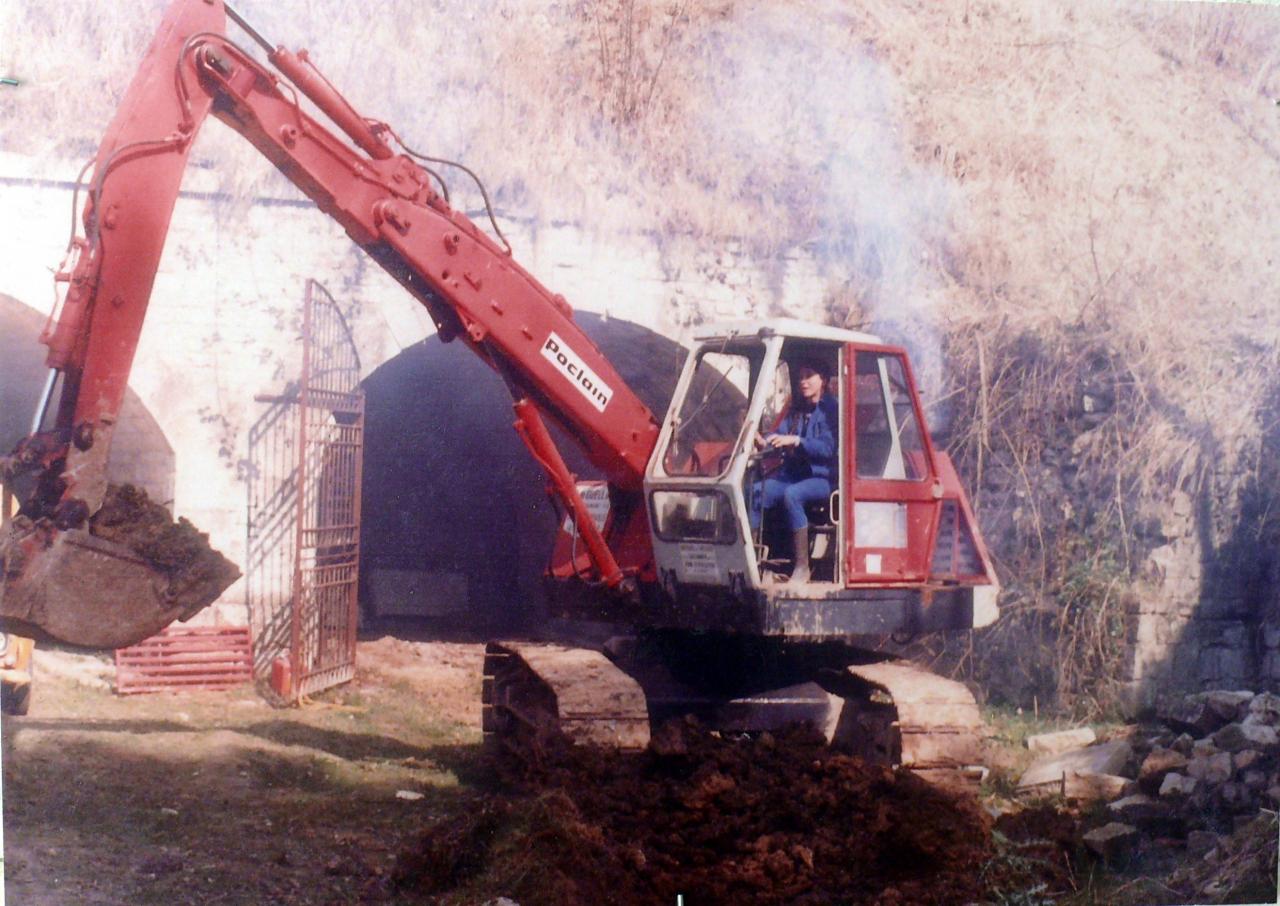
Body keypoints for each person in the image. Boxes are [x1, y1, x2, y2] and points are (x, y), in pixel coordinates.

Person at [752, 359, 837, 583]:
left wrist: (798, 441)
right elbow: (779, 433)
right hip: (794, 475)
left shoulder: (832, 410)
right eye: (800, 377)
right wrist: (765, 442)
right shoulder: (797, 409)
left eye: (808, 375)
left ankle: (802, 567)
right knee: (758, 492)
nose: (803, 381)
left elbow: (828, 448)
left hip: (822, 477)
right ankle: (752, 560)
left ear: (823, 380)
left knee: (793, 495)